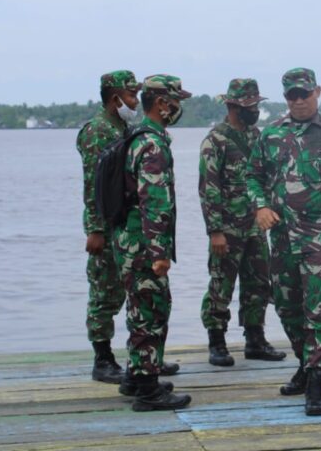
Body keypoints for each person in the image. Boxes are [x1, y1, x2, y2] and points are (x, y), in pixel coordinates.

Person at [246, 67, 321, 416]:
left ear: (317, 92)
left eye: (304, 94)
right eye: (292, 96)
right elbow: (252, 176)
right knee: (287, 306)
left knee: (320, 309)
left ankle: (317, 382)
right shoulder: (270, 135)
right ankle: (304, 363)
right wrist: (261, 205)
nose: (299, 101)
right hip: (282, 238)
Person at [113, 74, 192, 412]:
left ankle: (135, 375)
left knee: (139, 307)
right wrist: (160, 252)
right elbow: (154, 201)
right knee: (151, 310)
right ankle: (147, 390)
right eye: (176, 101)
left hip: (128, 240)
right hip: (144, 244)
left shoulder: (136, 134)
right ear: (162, 103)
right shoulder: (153, 143)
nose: (178, 108)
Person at [199, 78, 286, 366]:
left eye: (255, 105)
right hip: (227, 229)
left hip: (255, 226)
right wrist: (215, 231)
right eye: (249, 106)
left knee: (259, 283)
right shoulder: (216, 141)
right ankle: (217, 341)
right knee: (221, 284)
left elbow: (265, 176)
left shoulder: (256, 136)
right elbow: (209, 189)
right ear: (232, 106)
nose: (254, 111)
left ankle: (255, 339)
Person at [76, 70, 140, 384]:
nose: (136, 101)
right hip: (106, 226)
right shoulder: (97, 131)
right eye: (131, 96)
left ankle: (141, 356)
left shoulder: (124, 127)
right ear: (115, 98)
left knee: (131, 291)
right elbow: (93, 185)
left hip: (125, 224)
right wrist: (95, 229)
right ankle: (102, 358)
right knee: (104, 292)